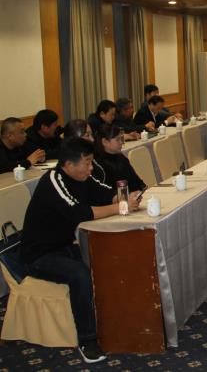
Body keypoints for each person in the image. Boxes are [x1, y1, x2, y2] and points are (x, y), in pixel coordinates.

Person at [20, 137, 142, 364]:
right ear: (68, 164)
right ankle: (87, 340)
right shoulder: (54, 180)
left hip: (67, 246)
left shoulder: (84, 176)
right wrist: (121, 207)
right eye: (86, 162)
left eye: (91, 161)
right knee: (80, 275)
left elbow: (106, 193)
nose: (91, 167)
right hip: (40, 255)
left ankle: (119, 319)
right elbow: (78, 213)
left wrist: (126, 198)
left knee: (110, 257)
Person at [93, 124, 146, 193]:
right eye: (117, 140)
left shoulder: (120, 157)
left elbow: (136, 179)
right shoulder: (99, 165)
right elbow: (107, 193)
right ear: (105, 142)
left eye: (121, 139)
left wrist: (144, 188)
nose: (121, 142)